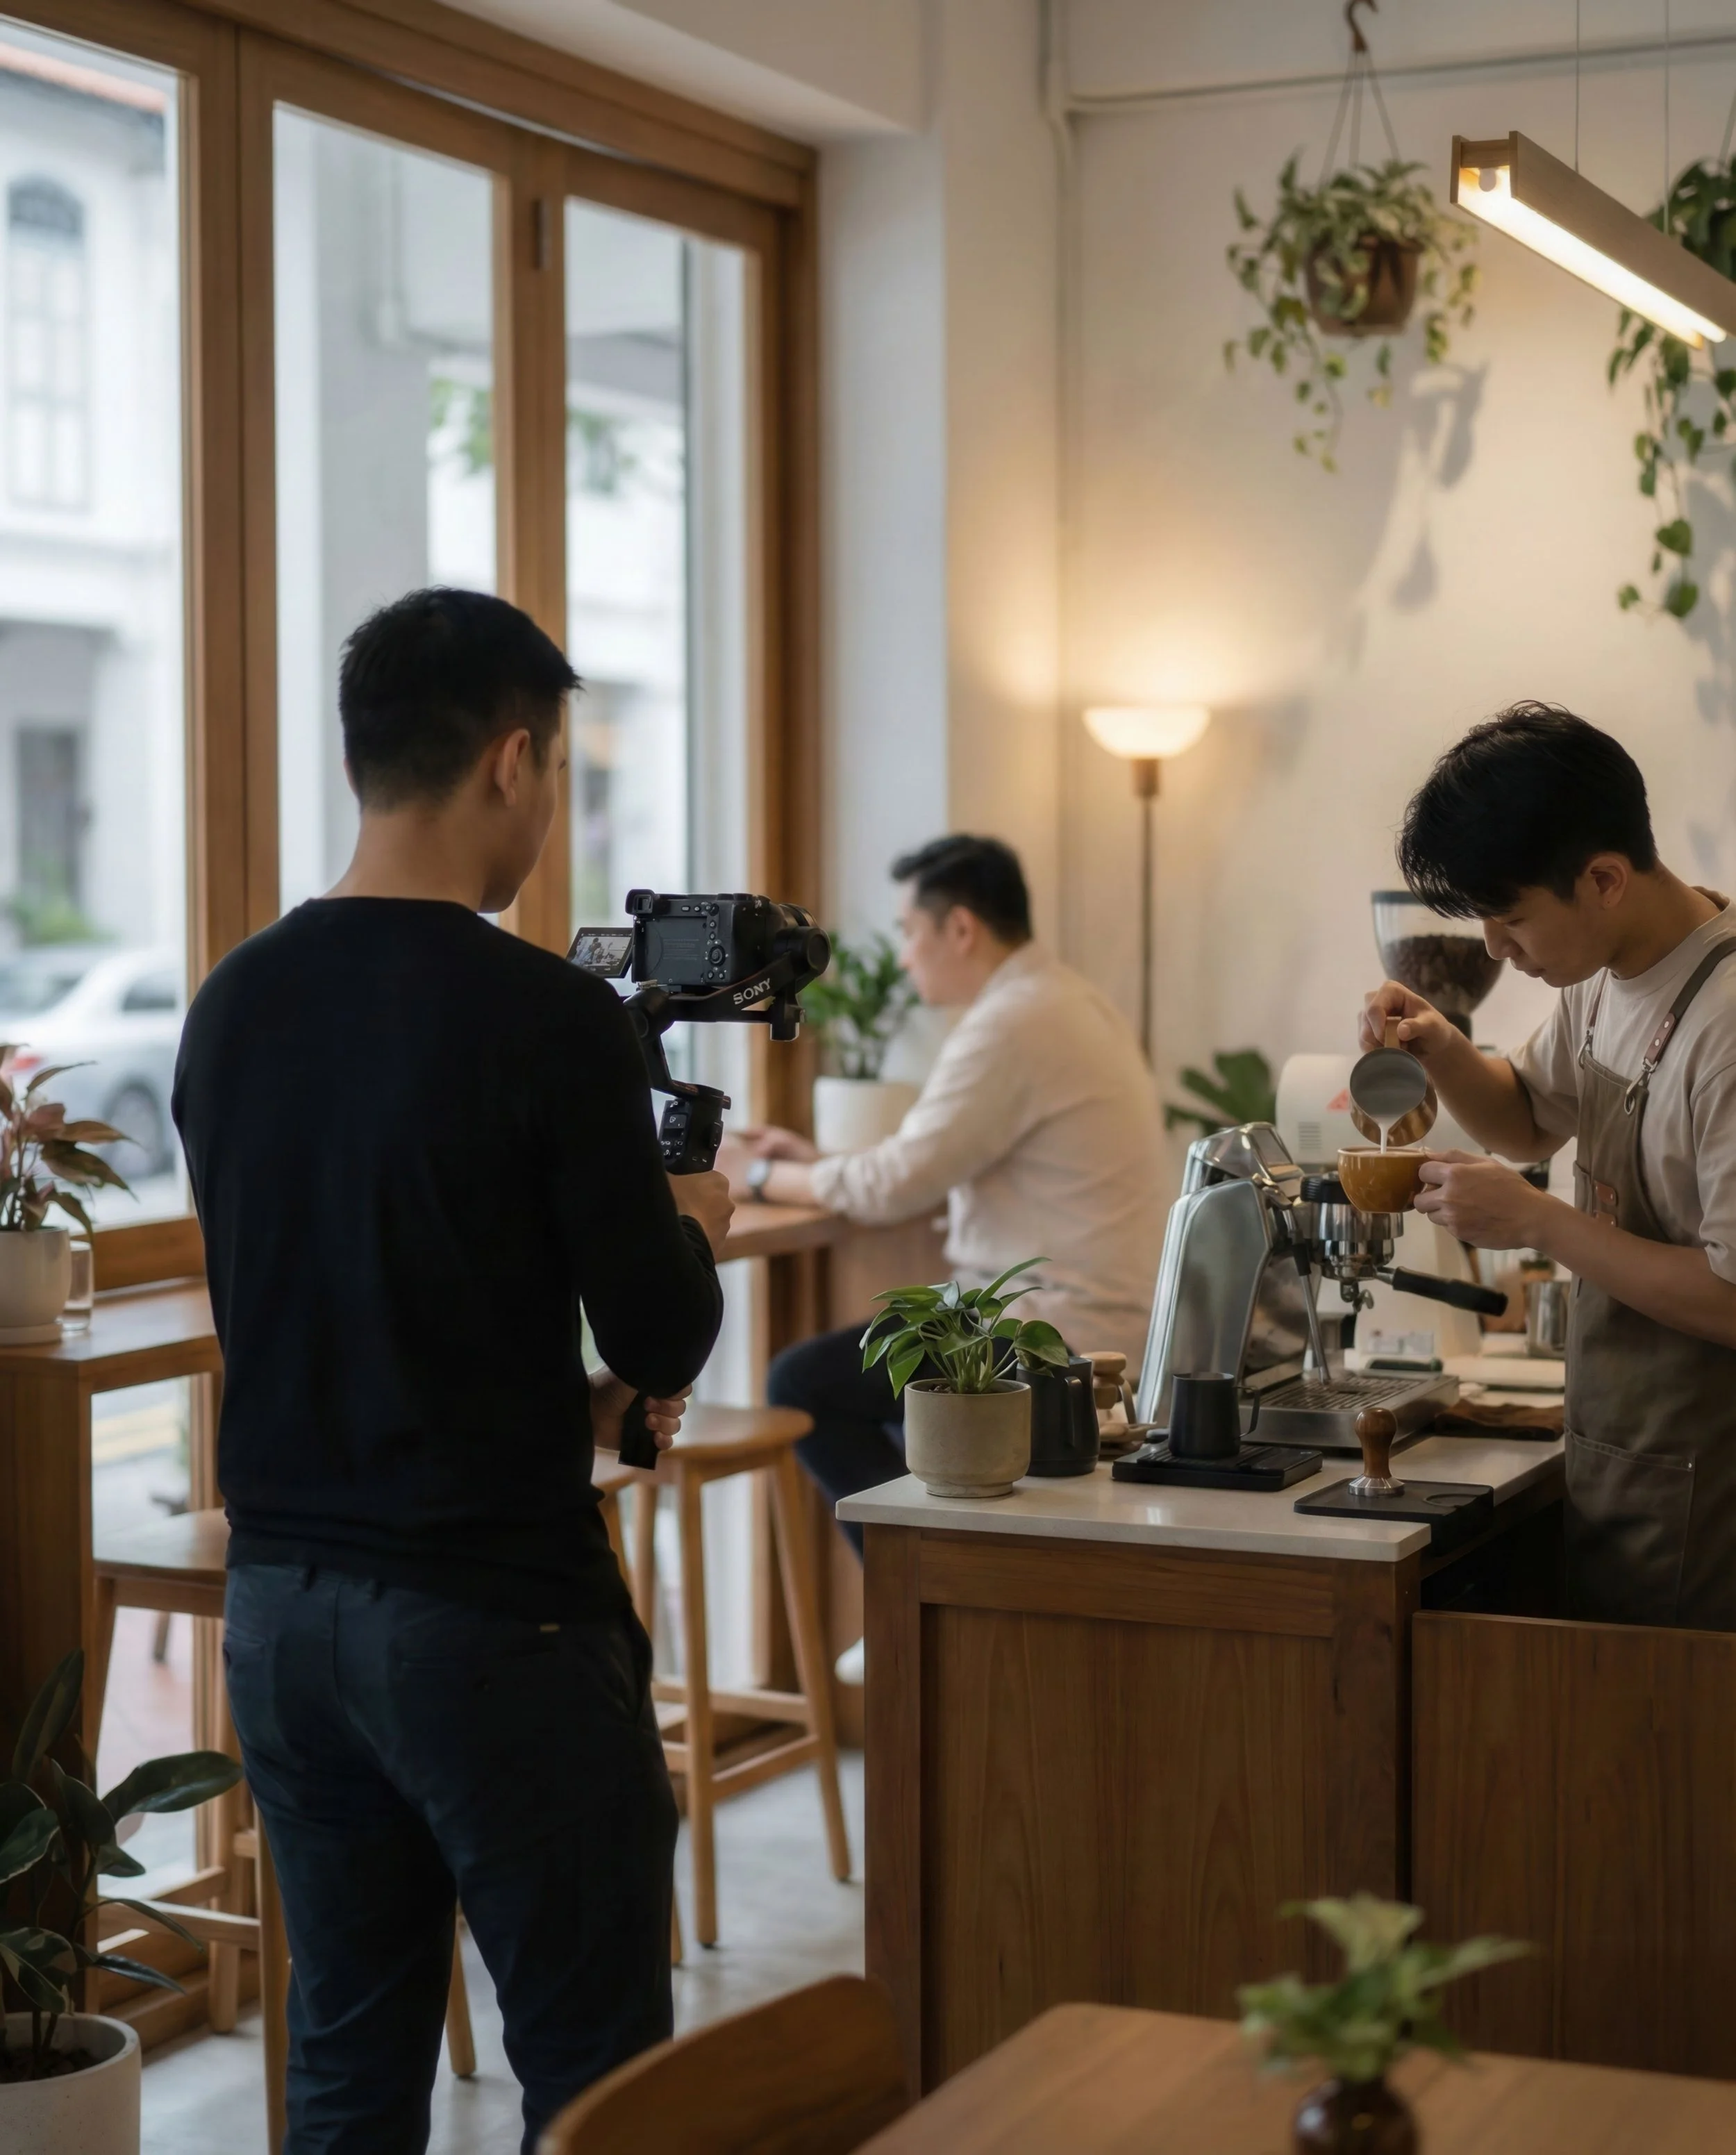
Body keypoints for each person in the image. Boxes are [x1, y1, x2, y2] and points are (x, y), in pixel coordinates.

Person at [172, 588, 733, 2155]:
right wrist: (695, 1215)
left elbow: (352, 1310)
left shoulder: (234, 1003)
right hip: (493, 1619)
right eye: (551, 771)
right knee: (598, 2079)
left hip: (282, 1613)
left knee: (348, 2068)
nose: (547, 808)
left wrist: (557, 1402)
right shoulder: (547, 1017)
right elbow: (658, 1335)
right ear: (508, 760)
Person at [1363, 701, 1736, 1631]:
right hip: (1629, 1459)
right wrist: (1443, 1044)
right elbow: (1528, 1120)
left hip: (1715, 1484)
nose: (1493, 944)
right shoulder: (1605, 975)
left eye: (1509, 914)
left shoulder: (1725, 1021)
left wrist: (1538, 1223)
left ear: (1604, 877)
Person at [724, 834, 1163, 1587]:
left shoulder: (1012, 1022)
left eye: (908, 931)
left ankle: (916, 1595)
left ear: (959, 929)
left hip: (1052, 1333)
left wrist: (756, 1173)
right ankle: (941, 1594)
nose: (902, 955)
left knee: (804, 1383)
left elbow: (897, 1183)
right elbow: (923, 1157)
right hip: (1097, 1315)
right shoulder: (1064, 1000)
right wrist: (812, 1163)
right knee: (883, 1382)